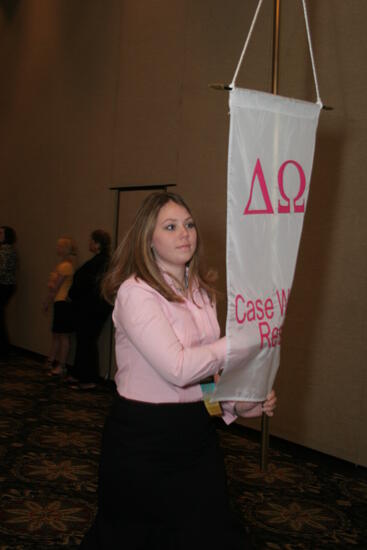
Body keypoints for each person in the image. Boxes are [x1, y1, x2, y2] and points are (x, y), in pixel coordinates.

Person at [80, 192, 276, 549]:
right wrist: (239, 343)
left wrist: (236, 404)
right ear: (148, 240)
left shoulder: (202, 292)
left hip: (195, 435)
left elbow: (202, 384)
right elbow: (178, 368)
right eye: (170, 227)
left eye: (188, 224)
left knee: (208, 532)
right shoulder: (135, 292)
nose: (184, 233)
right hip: (143, 439)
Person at [67, 230, 112, 390]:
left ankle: (88, 379)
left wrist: (73, 294)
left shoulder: (100, 263)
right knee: (84, 341)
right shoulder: (102, 262)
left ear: (98, 244)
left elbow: (85, 284)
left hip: (92, 310)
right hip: (93, 309)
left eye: (92, 241)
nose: (89, 244)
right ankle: (79, 374)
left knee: (87, 342)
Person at [43, 236, 76, 375]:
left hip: (63, 303)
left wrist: (47, 301)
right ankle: (51, 361)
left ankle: (61, 365)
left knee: (63, 336)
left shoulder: (66, 266)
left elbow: (56, 287)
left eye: (59, 246)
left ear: (65, 248)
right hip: (59, 302)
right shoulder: (62, 265)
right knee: (56, 334)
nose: (57, 248)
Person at [0, 226, 17, 358]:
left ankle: (4, 349)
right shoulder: (9, 250)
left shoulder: (6, 251)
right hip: (7, 285)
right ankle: (4, 348)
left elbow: (2, 269)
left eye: (0, 233)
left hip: (3, 285)